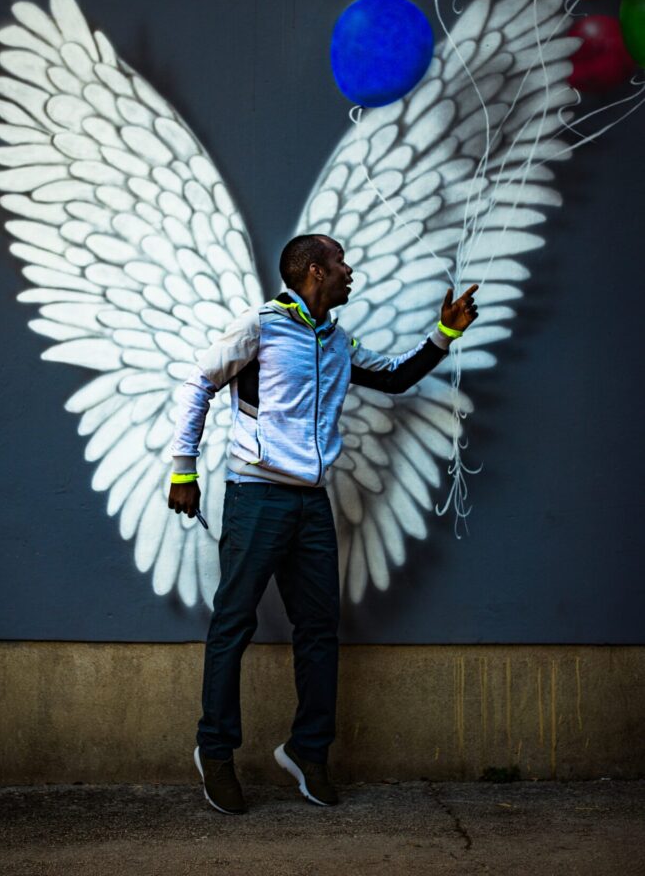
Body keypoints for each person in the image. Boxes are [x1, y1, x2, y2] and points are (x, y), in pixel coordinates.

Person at [168, 234, 478, 814]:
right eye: (339, 262)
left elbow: (392, 377)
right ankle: (214, 751)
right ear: (315, 271)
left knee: (317, 630)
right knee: (233, 624)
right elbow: (197, 383)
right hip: (256, 496)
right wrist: (183, 469)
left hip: (312, 503)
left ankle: (308, 752)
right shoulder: (261, 325)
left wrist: (446, 334)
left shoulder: (336, 340)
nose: (348, 269)